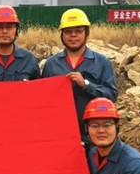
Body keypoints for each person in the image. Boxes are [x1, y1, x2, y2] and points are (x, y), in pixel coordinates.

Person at [41, 8, 118, 148]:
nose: (73, 35)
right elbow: (44, 101)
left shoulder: (102, 62)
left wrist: (87, 85)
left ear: (86, 33)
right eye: (68, 32)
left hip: (93, 137)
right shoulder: (52, 64)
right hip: (61, 136)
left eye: (78, 31)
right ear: (62, 35)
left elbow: (111, 95)